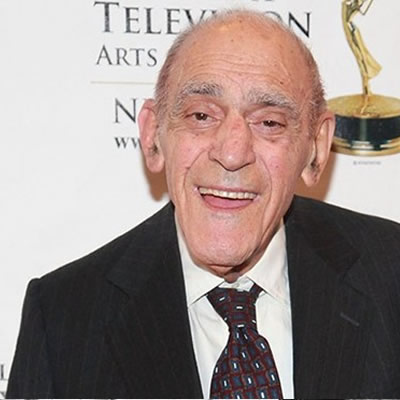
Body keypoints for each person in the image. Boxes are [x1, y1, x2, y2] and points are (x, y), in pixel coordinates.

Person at [6, 9, 400, 399]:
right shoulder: (62, 319)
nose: (231, 153)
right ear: (153, 135)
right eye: (201, 116)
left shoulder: (391, 274)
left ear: (316, 147)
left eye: (269, 123)